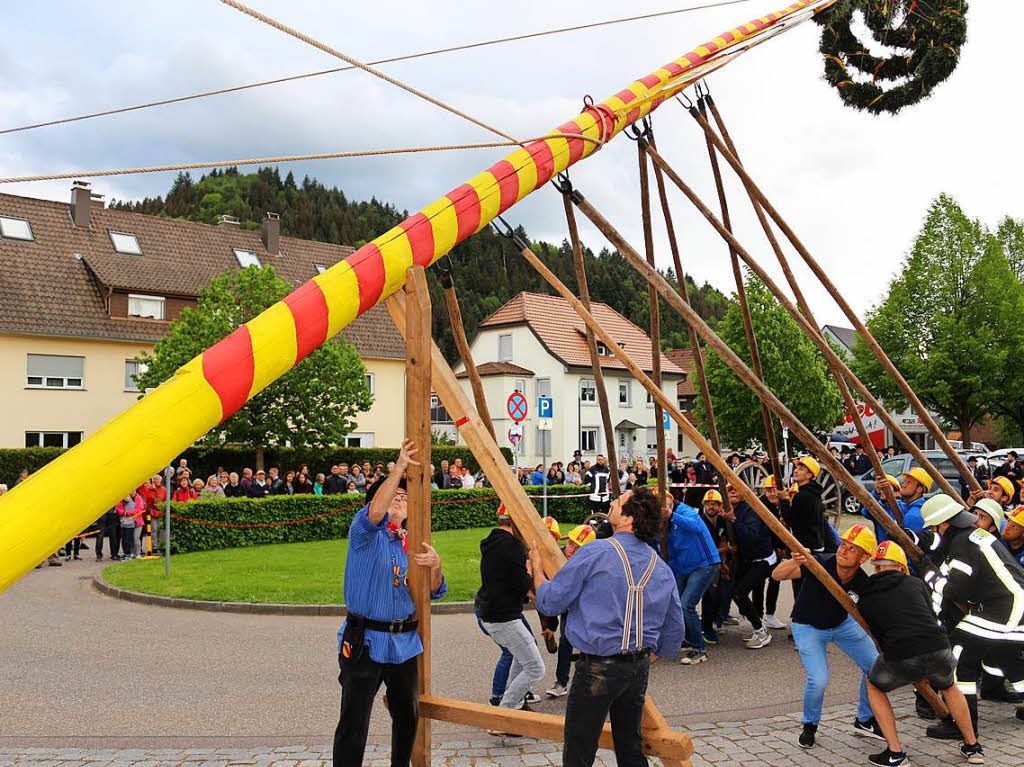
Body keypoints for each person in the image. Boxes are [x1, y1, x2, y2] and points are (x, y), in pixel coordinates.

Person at [530, 486, 683, 767]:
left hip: (598, 667)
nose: (611, 503)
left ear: (629, 518)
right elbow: (674, 631)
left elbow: (550, 603)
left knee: (579, 748)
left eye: (618, 501)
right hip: (637, 667)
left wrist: (537, 571)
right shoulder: (659, 566)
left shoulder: (596, 552)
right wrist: (650, 654)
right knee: (630, 746)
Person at [333, 439, 446, 767]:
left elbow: (434, 591)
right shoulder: (364, 534)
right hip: (365, 640)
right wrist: (398, 468)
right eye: (394, 495)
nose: (399, 499)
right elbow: (377, 510)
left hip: (404, 643)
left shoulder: (412, 544)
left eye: (404, 497)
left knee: (408, 715)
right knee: (355, 722)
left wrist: (435, 568)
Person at [857, 541, 983, 766]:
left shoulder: (865, 597)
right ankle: (973, 747)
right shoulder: (915, 582)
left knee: (873, 685)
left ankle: (895, 753)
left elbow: (878, 635)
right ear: (901, 567)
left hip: (902, 652)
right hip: (938, 646)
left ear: (875, 568)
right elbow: (929, 613)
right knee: (949, 686)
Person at [912, 494, 1024, 740]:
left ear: (944, 524)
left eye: (934, 527)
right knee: (1010, 660)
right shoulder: (971, 536)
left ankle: (962, 725)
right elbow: (937, 544)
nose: (935, 532)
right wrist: (913, 539)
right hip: (1011, 606)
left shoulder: (962, 545)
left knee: (958, 657)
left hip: (1004, 608)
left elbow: (955, 591)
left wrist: (928, 573)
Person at [773, 524, 882, 749]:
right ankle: (810, 725)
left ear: (863, 558)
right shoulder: (819, 563)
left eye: (853, 549)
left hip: (843, 625)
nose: (843, 550)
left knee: (876, 667)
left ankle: (864, 719)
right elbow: (776, 575)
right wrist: (796, 560)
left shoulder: (862, 582)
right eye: (844, 545)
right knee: (819, 680)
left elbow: (872, 613)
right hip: (808, 626)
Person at [475, 505, 546, 715]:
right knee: (535, 668)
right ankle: (506, 712)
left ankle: (513, 704)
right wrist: (533, 567)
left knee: (520, 658)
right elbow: (521, 584)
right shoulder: (512, 546)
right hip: (504, 617)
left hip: (495, 613)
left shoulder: (493, 542)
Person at [666, 496, 720, 664]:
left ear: (671, 502)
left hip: (705, 564)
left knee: (686, 604)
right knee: (676, 603)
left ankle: (699, 649)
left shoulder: (685, 511)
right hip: (684, 567)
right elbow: (672, 551)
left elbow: (696, 526)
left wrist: (671, 515)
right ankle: (689, 639)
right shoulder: (663, 522)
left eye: (666, 504)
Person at [722, 483, 778, 649]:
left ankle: (761, 631)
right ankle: (759, 624)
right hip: (748, 559)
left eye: (736, 489)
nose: (733, 492)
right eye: (729, 490)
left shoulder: (751, 510)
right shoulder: (731, 510)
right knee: (737, 592)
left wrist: (733, 520)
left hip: (763, 559)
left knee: (739, 593)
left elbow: (750, 537)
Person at [546, 524, 596, 698]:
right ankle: (561, 682)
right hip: (567, 607)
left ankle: (590, 682)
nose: (572, 551)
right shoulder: (554, 558)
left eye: (578, 548)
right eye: (571, 545)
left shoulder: (592, 564)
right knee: (566, 641)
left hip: (586, 608)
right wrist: (549, 625)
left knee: (588, 643)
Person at [785, 457, 827, 601]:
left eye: (801, 469)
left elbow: (791, 520)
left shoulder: (803, 496)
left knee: (801, 585)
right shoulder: (813, 494)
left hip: (806, 547)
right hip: (815, 544)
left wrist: (784, 502)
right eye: (797, 468)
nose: (796, 471)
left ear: (809, 475)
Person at [699, 489, 736, 643]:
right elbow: (706, 548)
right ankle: (706, 628)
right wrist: (724, 549)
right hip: (704, 564)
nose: (711, 507)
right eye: (708, 504)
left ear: (720, 506)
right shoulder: (700, 522)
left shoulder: (723, 522)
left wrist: (723, 560)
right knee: (710, 595)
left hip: (720, 562)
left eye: (714, 504)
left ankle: (719, 619)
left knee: (724, 592)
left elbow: (725, 541)